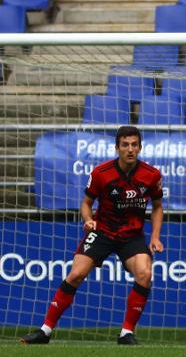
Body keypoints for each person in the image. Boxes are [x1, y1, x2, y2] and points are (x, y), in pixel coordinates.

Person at [21, 126, 164, 345]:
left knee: (145, 273)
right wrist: (88, 220)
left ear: (140, 147)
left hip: (131, 236)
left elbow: (157, 206)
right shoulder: (101, 173)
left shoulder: (151, 175)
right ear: (117, 147)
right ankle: (45, 331)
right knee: (76, 274)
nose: (130, 149)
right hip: (103, 231)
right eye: (125, 145)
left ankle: (126, 333)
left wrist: (155, 237)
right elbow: (86, 203)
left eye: (134, 144)